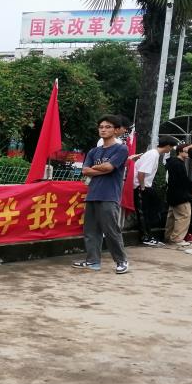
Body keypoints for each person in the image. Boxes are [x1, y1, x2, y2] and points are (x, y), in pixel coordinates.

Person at [73, 116, 130, 273]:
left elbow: (109, 167)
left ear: (116, 130)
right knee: (90, 231)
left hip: (109, 195)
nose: (103, 129)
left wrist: (98, 168)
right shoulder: (94, 151)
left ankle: (121, 261)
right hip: (92, 194)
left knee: (111, 230)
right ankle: (93, 261)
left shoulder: (121, 149)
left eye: (108, 127)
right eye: (101, 127)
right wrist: (103, 168)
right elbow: (85, 171)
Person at [133, 137, 179, 245]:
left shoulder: (154, 154)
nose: (171, 149)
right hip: (141, 186)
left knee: (148, 211)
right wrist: (142, 187)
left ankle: (148, 236)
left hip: (145, 186)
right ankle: (146, 237)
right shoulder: (153, 155)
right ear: (167, 146)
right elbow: (141, 172)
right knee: (143, 213)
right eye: (171, 147)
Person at [164, 144, 192, 246]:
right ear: (180, 152)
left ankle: (168, 237)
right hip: (180, 195)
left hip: (172, 194)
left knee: (172, 217)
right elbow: (183, 180)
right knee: (184, 216)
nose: (188, 154)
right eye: (186, 151)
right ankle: (176, 239)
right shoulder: (178, 164)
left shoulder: (171, 162)